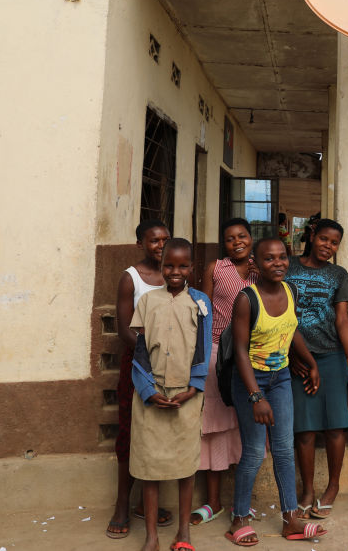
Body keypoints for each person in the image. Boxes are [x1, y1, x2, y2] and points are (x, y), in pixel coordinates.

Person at [226, 238, 326, 546]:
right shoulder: (247, 299)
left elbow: (291, 330)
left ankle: (290, 520)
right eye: (269, 259)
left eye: (283, 257)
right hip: (250, 380)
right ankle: (239, 518)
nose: (278, 263)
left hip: (280, 377)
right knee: (255, 451)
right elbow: (240, 351)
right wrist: (256, 397)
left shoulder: (290, 290)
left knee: (284, 449)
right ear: (256, 264)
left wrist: (311, 363)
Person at [129, 238, 212, 551]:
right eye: (169, 266)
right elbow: (140, 350)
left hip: (186, 396)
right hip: (151, 394)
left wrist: (193, 388)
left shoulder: (200, 302)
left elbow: (203, 348)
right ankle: (151, 536)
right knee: (149, 467)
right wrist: (147, 390)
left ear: (191, 267)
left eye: (182, 266)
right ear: (161, 266)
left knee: (185, 466)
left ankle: (183, 531)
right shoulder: (148, 300)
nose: (175, 272)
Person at [286, 218, 348, 520]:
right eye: (324, 239)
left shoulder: (338, 275)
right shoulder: (288, 267)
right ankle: (307, 490)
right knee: (305, 429)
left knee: (335, 426)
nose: (328, 246)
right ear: (312, 236)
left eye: (334, 243)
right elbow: (277, 311)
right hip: (296, 358)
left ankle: (333, 486)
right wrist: (290, 354)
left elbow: (342, 319)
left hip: (331, 356)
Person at [107, 219, 173, 540]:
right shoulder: (130, 278)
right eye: (154, 240)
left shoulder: (175, 274)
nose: (160, 245)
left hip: (170, 366)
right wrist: (152, 355)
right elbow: (124, 330)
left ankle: (146, 505)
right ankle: (122, 504)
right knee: (130, 432)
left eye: (165, 239)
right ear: (140, 244)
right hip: (139, 364)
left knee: (156, 434)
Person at [190, 218, 257, 526]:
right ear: (224, 244)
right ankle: (213, 501)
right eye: (230, 238)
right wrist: (201, 354)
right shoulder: (216, 269)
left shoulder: (261, 270)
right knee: (215, 427)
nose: (237, 242)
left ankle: (243, 502)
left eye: (242, 236)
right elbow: (202, 310)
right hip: (218, 353)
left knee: (248, 429)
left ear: (251, 238)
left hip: (253, 356)